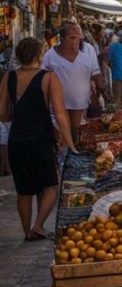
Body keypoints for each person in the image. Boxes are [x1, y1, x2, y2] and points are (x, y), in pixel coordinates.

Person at [0, 37, 76, 241]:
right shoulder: (49, 77)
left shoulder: (9, 77)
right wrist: (69, 142)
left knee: (24, 190)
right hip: (40, 139)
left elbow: (2, 113)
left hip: (17, 140)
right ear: (38, 55)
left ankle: (27, 231)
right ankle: (39, 225)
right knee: (50, 186)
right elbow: (60, 114)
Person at [41, 21, 103, 141]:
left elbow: (96, 73)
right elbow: (43, 80)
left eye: (79, 38)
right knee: (61, 135)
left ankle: (74, 155)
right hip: (57, 104)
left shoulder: (88, 50)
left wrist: (98, 94)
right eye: (72, 38)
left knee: (76, 133)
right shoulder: (50, 56)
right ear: (62, 38)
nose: (76, 42)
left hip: (80, 103)